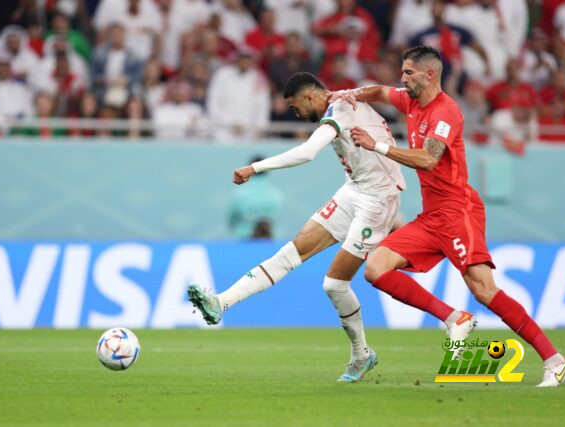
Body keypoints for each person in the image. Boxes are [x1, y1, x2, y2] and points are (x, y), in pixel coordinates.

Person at [189, 71, 472, 382]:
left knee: (334, 285)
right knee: (290, 253)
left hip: (378, 201)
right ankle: (222, 302)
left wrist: (254, 167)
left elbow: (308, 152)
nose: (297, 114)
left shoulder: (339, 109)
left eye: (297, 107)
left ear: (310, 96)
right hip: (354, 190)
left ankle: (366, 353)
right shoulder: (342, 100)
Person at [332, 45, 565, 387]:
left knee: (484, 291)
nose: (402, 79)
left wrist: (378, 146)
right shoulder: (410, 101)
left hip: (458, 212)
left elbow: (429, 159)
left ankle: (556, 361)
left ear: (429, 74)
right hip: (432, 216)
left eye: (409, 73)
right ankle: (453, 317)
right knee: (376, 268)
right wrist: (350, 93)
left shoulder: (447, 112)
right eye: (403, 72)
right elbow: (380, 92)